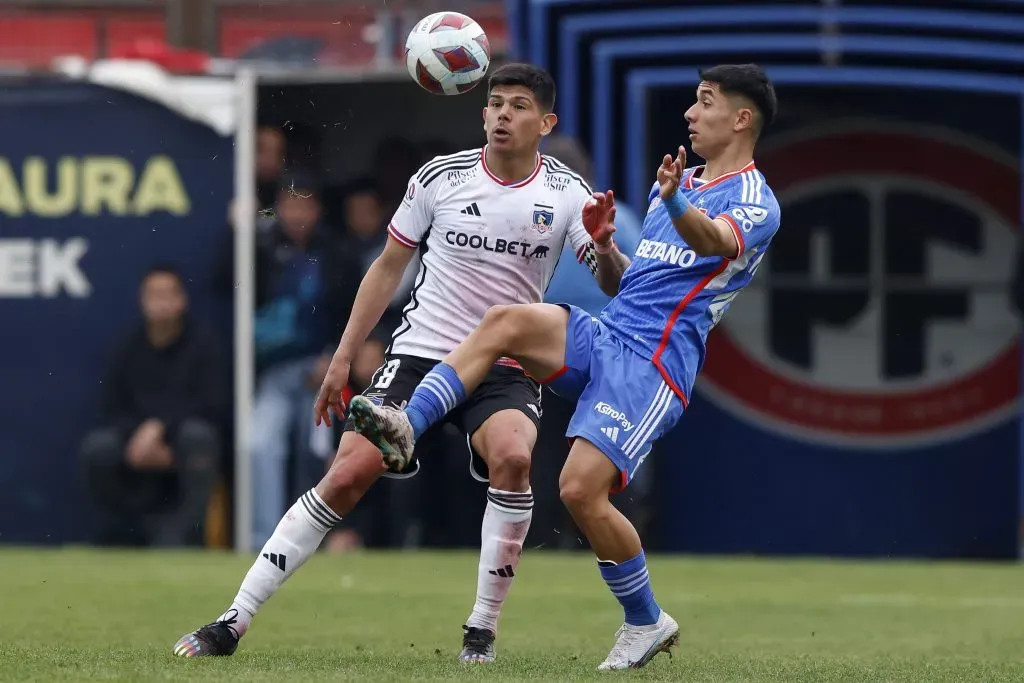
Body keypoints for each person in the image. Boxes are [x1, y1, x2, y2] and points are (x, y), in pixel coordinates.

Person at [173, 62, 629, 662]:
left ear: (546, 122)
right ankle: (234, 619)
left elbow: (613, 282)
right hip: (420, 354)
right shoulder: (442, 177)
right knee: (346, 474)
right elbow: (387, 266)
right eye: (494, 104)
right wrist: (341, 358)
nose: (501, 115)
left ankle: (481, 634)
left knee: (516, 459)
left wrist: (603, 245)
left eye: (518, 106)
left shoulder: (568, 192)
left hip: (503, 365)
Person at [347, 63, 780, 670]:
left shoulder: (753, 199)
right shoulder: (682, 185)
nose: (690, 113)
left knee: (579, 491)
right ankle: (406, 426)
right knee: (506, 320)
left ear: (740, 118)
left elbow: (712, 242)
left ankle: (645, 620)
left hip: (653, 364)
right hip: (610, 332)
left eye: (705, 102)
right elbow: (634, 284)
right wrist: (604, 246)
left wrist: (674, 198)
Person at [80, 265, 224, 547]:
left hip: (181, 445)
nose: (161, 303)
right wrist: (138, 439)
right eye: (153, 295)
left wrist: (161, 429)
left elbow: (213, 403)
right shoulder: (128, 349)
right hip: (135, 445)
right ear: (142, 300)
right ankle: (119, 535)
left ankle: (185, 537)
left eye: (167, 294)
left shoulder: (204, 347)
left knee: (199, 437)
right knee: (97, 448)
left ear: (182, 300)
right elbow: (112, 406)